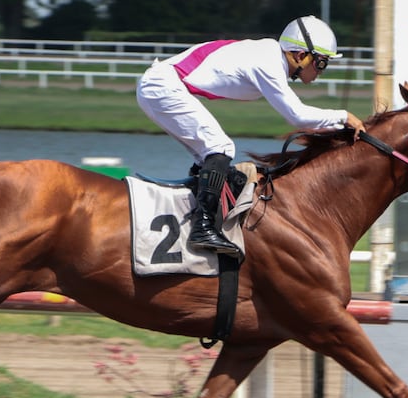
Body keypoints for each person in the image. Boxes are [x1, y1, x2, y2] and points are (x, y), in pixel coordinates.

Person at [136, 15, 366, 254]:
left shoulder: (269, 55)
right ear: (300, 55)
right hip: (162, 87)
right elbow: (297, 116)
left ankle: (200, 216)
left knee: (210, 156)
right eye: (321, 63)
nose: (321, 71)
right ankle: (202, 228)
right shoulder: (268, 62)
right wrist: (344, 117)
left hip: (161, 85)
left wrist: (337, 125)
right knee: (221, 147)